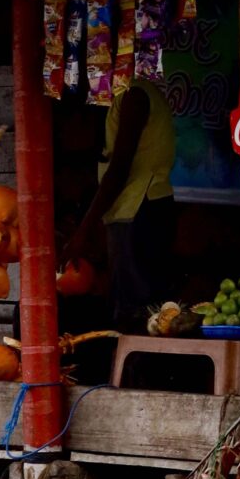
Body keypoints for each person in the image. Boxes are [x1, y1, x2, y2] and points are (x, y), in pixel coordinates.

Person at [67, 79, 176, 331]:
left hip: (139, 207)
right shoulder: (131, 94)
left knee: (136, 312)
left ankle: (139, 369)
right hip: (143, 206)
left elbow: (119, 169)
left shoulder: (134, 95)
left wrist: (83, 231)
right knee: (146, 311)